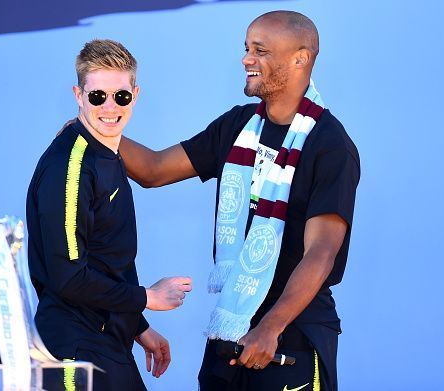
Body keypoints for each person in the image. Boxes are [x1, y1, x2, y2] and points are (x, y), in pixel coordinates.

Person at [119, 11, 360, 391]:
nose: (246, 59)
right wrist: (89, 131)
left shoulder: (330, 145)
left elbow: (321, 253)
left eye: (260, 50)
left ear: (301, 58)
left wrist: (270, 327)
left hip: (290, 336)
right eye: (246, 49)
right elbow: (153, 169)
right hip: (230, 331)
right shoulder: (237, 126)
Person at [26, 39, 192, 391]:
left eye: (121, 96)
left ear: (135, 93)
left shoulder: (110, 153)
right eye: (97, 96)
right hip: (73, 351)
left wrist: (138, 326)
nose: (110, 107)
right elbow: (68, 277)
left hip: (108, 341)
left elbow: (105, 260)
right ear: (78, 95)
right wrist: (146, 297)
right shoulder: (70, 166)